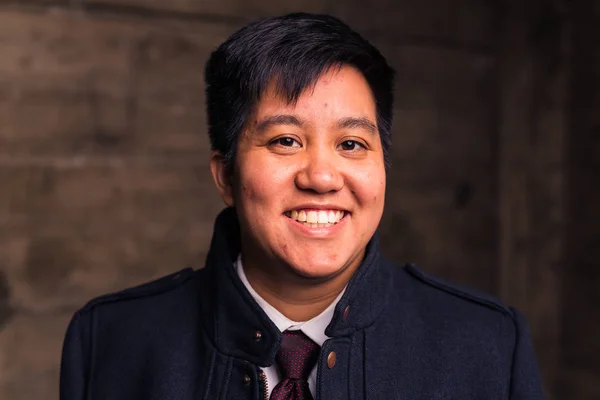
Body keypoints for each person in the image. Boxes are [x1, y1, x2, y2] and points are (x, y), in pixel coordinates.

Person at [60, 13, 545, 400]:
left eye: (352, 144)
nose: (322, 177)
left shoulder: (488, 345)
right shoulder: (111, 341)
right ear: (225, 175)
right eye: (286, 140)